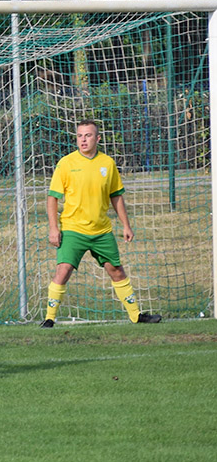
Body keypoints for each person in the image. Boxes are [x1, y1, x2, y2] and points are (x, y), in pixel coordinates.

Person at [41, 119, 162, 328]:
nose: (83, 140)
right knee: (64, 270)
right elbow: (52, 198)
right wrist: (54, 228)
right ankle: (49, 319)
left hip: (102, 231)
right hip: (73, 229)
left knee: (116, 270)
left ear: (97, 138)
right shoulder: (66, 163)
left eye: (88, 135)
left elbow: (116, 196)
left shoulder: (107, 163)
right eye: (80, 136)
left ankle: (136, 316)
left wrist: (126, 225)